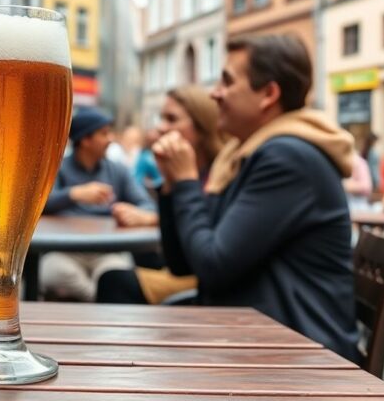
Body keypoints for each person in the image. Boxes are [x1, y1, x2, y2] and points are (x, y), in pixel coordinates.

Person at [147, 34, 359, 362]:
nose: (215, 93)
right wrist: (173, 185)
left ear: (268, 94)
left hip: (300, 357)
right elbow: (183, 263)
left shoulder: (287, 158)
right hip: (259, 341)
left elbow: (213, 265)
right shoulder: (245, 156)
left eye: (227, 81)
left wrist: (187, 181)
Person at [96, 85, 226, 304]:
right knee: (135, 261)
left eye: (171, 119)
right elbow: (176, 260)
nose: (161, 128)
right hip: (185, 269)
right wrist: (168, 182)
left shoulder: (220, 173)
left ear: (202, 127)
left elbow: (202, 250)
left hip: (205, 280)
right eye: (161, 118)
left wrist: (181, 182)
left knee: (113, 280)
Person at [39, 108, 157, 301]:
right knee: (52, 273)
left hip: (108, 251)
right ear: (85, 139)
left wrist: (134, 213)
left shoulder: (118, 170)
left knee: (119, 276)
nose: (111, 139)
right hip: (65, 250)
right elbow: (39, 206)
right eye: (104, 133)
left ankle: (99, 297)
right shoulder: (56, 167)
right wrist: (73, 194)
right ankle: (98, 298)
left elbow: (147, 205)